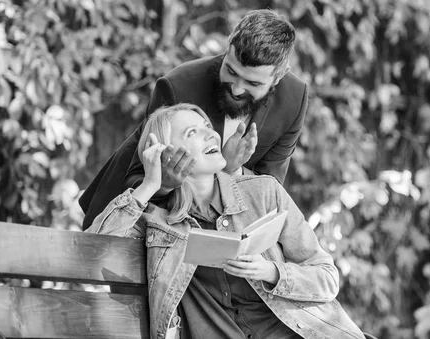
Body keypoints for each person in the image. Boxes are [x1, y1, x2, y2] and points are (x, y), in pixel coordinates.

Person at [86, 104, 365, 339]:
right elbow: (93, 251)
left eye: (207, 126)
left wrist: (271, 271)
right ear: (165, 153)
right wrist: (149, 184)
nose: (210, 134)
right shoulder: (159, 223)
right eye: (192, 132)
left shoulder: (263, 192)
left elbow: (327, 278)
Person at [79, 9, 309, 230]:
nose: (237, 89)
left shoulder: (294, 100)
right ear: (228, 46)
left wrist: (231, 170)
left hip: (218, 232)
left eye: (253, 84)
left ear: (278, 77)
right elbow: (137, 176)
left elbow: (269, 189)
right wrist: (166, 183)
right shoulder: (179, 86)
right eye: (231, 71)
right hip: (134, 222)